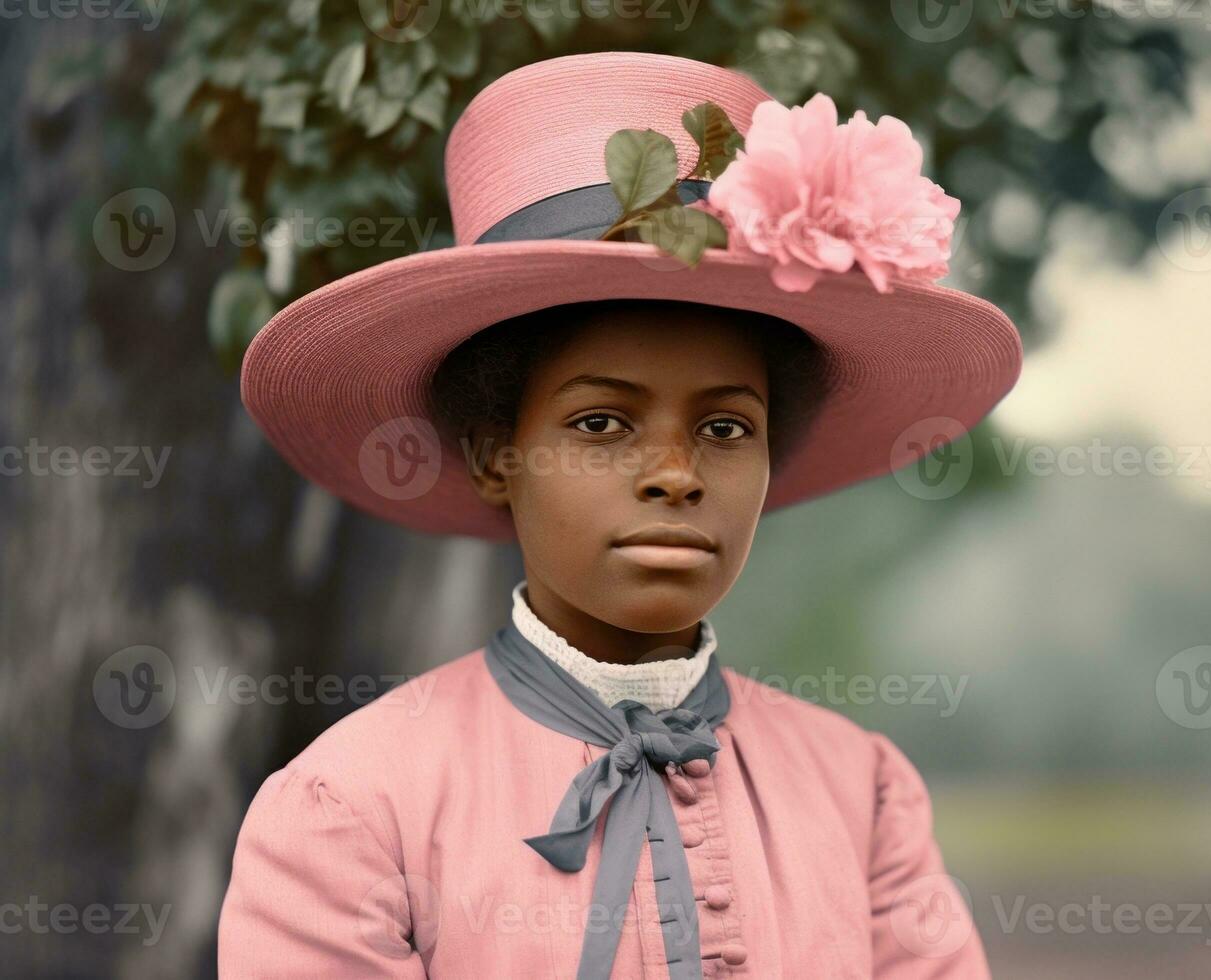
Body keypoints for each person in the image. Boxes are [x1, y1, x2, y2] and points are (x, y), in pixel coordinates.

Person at [218, 51, 1021, 979]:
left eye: (726, 426)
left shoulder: (860, 793)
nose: (676, 474)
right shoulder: (353, 806)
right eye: (600, 423)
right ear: (494, 454)